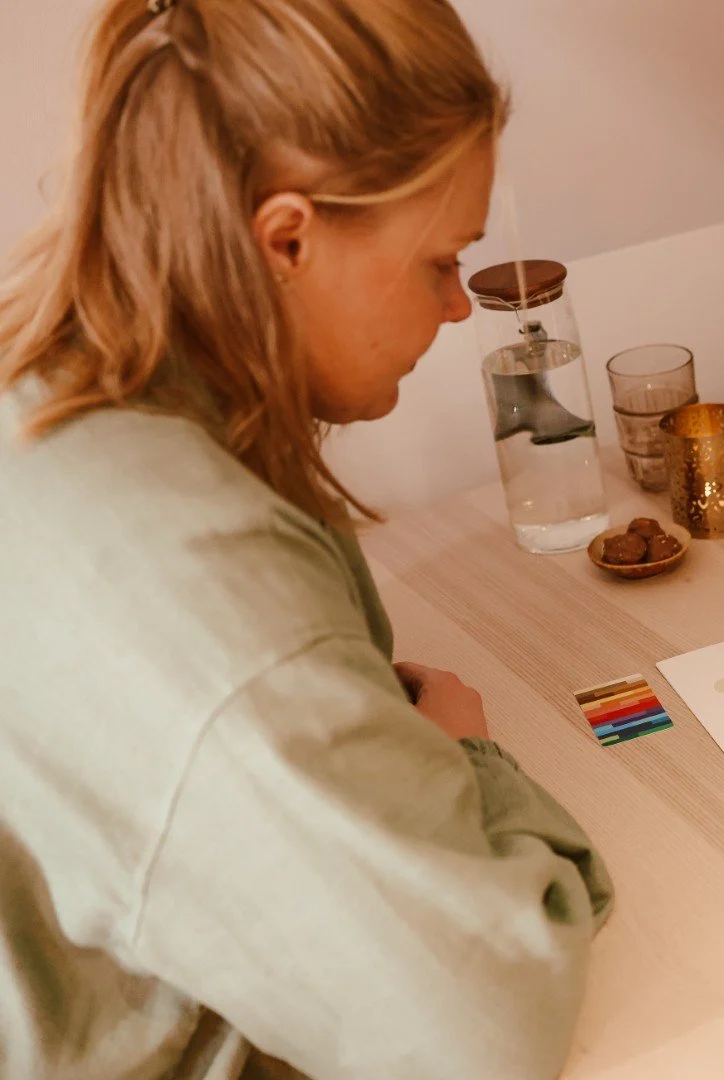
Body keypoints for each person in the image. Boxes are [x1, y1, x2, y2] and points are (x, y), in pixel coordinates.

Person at [0, 1, 611, 1078]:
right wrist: (467, 759)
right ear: (287, 237)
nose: (458, 310)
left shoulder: (55, 386)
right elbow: (483, 1032)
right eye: (440, 264)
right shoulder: (196, 588)